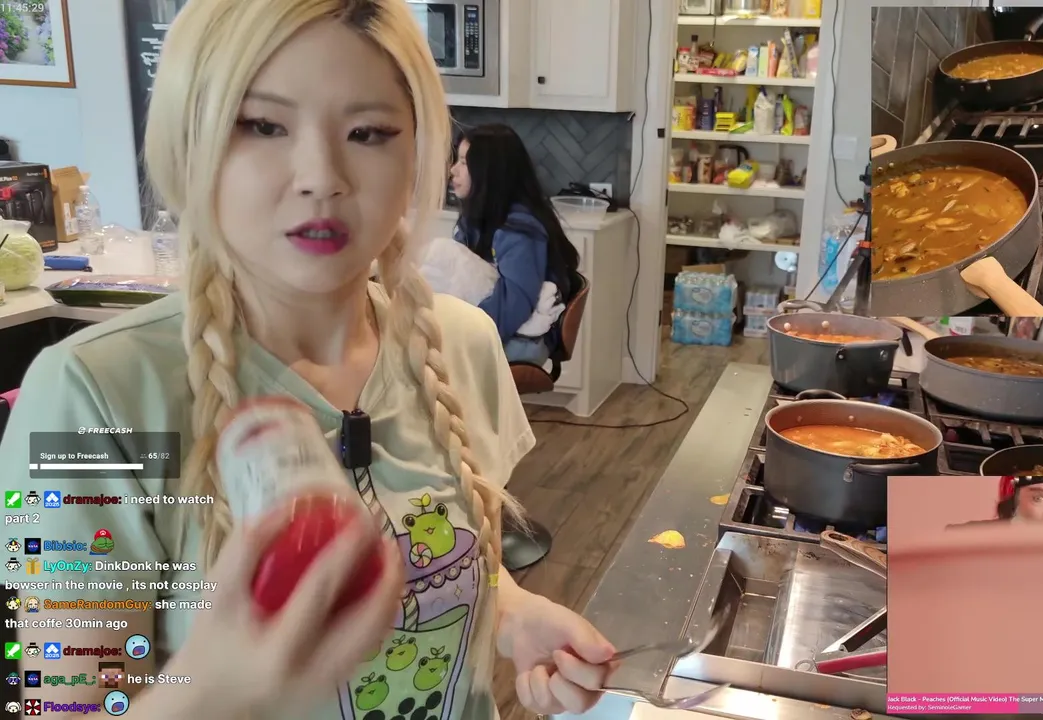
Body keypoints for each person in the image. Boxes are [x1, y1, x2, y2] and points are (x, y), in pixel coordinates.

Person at [0, 1, 615, 718]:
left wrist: (511, 613)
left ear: (418, 156)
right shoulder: (85, 400)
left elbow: (443, 553)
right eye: (263, 125)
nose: (321, 176)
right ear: (190, 142)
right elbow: (69, 707)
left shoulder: (462, 344)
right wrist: (213, 687)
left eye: (368, 132)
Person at [448, 124, 581, 366]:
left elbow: (512, 307)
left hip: (521, 343)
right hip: (496, 330)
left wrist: (459, 335)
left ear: (489, 173)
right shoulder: (476, 219)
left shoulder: (520, 230)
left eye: (464, 163)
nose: (453, 170)